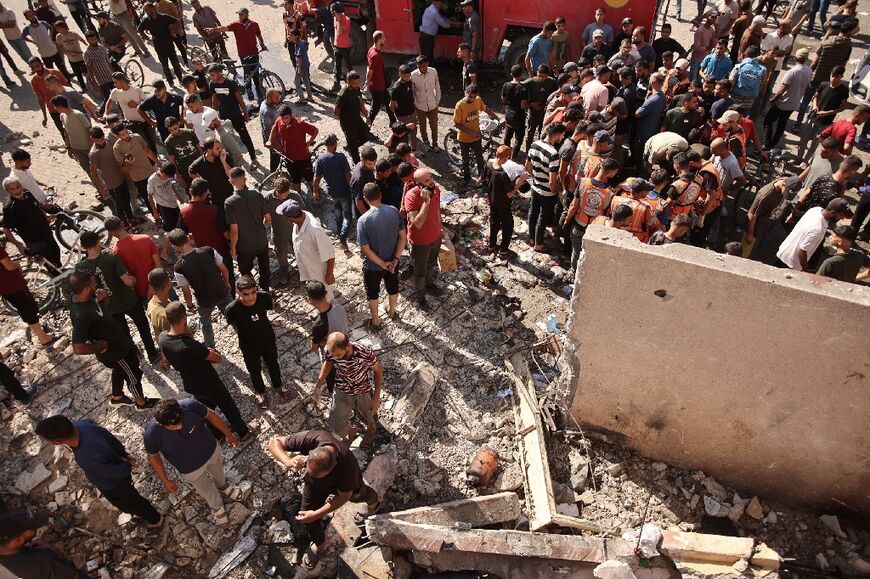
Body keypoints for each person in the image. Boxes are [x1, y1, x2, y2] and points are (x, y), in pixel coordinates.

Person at [36, 415, 165, 542]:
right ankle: (140, 513)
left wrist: (126, 465)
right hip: (116, 466)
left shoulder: (86, 457)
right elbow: (108, 437)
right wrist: (123, 454)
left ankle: (155, 520)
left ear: (57, 442)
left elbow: (113, 472)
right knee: (132, 500)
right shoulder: (82, 425)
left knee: (130, 502)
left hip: (114, 484)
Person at [266, 429, 380, 571]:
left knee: (361, 495)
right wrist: (287, 460)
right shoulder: (313, 438)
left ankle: (374, 506)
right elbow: (273, 442)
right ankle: (320, 544)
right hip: (314, 486)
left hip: (344, 487)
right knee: (307, 517)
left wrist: (318, 513)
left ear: (332, 467)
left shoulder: (347, 467)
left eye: (318, 475)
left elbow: (343, 497)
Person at [144, 398, 248, 526]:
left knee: (219, 472)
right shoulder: (151, 435)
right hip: (190, 469)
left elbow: (211, 415)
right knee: (204, 488)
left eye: (180, 421)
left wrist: (228, 434)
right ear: (161, 424)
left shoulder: (189, 405)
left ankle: (222, 485)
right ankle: (217, 506)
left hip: (211, 451)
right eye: (174, 426)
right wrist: (165, 480)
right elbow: (153, 457)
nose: (180, 426)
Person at [68, 269, 155, 408]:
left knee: (120, 370)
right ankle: (141, 403)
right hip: (115, 353)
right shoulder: (81, 315)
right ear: (85, 289)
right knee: (133, 376)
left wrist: (105, 298)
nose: (96, 287)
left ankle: (117, 396)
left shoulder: (85, 298)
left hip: (119, 342)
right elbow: (78, 348)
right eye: (94, 285)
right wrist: (101, 345)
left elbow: (101, 312)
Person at [310, 331, 383, 446]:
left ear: (348, 347)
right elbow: (328, 362)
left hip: (362, 388)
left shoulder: (363, 352)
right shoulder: (331, 351)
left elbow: (378, 371)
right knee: (336, 422)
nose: (335, 358)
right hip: (342, 388)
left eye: (338, 355)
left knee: (369, 414)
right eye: (332, 355)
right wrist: (318, 386)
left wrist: (376, 397)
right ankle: (351, 432)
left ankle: (371, 429)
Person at [225, 275, 287, 406]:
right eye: (245, 294)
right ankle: (260, 392)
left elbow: (268, 309)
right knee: (254, 370)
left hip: (267, 338)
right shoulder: (232, 309)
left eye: (253, 292)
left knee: (273, 363)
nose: (251, 297)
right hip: (248, 345)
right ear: (238, 293)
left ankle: (278, 386)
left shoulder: (264, 297)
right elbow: (232, 323)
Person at [168, 228, 232, 347]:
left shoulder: (179, 267)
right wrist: (227, 283)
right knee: (233, 315)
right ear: (188, 238)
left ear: (174, 246)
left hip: (204, 300)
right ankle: (245, 335)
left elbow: (186, 292)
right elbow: (224, 269)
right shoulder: (208, 250)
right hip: (221, 291)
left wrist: (190, 305)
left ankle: (210, 346)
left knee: (206, 323)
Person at [356, 182, 405, 329]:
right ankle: (392, 311)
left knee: (372, 292)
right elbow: (403, 237)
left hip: (373, 266)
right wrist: (395, 259)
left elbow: (365, 249)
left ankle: (376, 321)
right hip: (393, 262)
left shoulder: (363, 220)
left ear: (365, 198)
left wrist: (382, 263)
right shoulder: (393, 211)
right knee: (392, 285)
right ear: (380, 195)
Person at [795, 18, 853, 128]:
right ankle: (811, 125)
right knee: (822, 105)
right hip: (831, 81)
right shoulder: (848, 46)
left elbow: (815, 62)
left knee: (806, 102)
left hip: (818, 77)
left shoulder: (826, 42)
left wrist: (808, 74)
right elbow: (843, 66)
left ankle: (798, 124)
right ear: (849, 32)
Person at [565, 158, 620, 270]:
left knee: (576, 251)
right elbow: (607, 213)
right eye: (615, 172)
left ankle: (573, 272)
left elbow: (573, 206)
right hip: (595, 228)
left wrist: (566, 220)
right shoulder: (610, 192)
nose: (616, 174)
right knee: (589, 254)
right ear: (609, 172)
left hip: (579, 223)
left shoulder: (583, 182)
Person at [0, 240, 58, 347]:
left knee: (23, 308)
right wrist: (17, 264)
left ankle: (39, 331)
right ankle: (43, 337)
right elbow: (9, 266)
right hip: (13, 284)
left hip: (4, 288)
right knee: (28, 308)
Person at [278, 199, 337, 301]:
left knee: (325, 295)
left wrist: (329, 273)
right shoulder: (301, 219)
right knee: (315, 294)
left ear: (290, 218)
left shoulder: (314, 230)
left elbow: (330, 253)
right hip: (308, 267)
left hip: (318, 270)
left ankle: (331, 312)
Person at [0, 509, 88, 576]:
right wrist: (53, 550)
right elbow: (73, 576)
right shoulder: (43, 561)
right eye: (32, 527)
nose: (36, 528)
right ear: (19, 540)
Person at [205, 8, 268, 103]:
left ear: (247, 15)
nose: (240, 16)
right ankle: (249, 91)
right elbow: (224, 28)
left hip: (254, 53)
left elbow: (259, 35)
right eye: (239, 14)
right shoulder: (236, 25)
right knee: (247, 73)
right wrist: (213, 30)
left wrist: (262, 44)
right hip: (243, 54)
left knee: (255, 74)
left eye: (241, 14)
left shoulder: (254, 24)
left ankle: (259, 93)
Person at [224, 167, 270, 292]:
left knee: (245, 271)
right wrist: (261, 227)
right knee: (265, 268)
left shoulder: (229, 203)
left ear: (231, 182)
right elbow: (268, 218)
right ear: (245, 179)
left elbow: (234, 230)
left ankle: (251, 292)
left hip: (244, 246)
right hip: (261, 241)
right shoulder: (257, 195)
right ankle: (265, 291)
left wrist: (233, 248)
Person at [2, 176, 61, 270]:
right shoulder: (10, 208)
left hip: (46, 232)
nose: (17, 191)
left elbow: (37, 206)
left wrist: (45, 212)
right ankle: (57, 277)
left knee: (56, 251)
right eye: (12, 189)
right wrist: (18, 244)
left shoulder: (27, 193)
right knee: (50, 262)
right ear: (7, 191)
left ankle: (60, 271)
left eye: (18, 187)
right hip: (35, 241)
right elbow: (5, 229)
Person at [776, 198, 853, 271]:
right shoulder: (817, 229)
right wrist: (805, 269)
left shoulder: (816, 210)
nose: (843, 218)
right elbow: (802, 251)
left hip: (785, 251)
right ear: (832, 212)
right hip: (791, 263)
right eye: (841, 215)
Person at [404, 168, 442, 310]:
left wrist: (440, 228)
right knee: (419, 272)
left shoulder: (436, 189)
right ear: (418, 184)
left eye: (430, 176)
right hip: (420, 243)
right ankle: (420, 297)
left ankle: (430, 285)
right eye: (426, 180)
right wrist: (426, 202)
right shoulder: (411, 197)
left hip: (435, 238)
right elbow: (417, 224)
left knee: (431, 265)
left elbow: (437, 210)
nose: (431, 181)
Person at [526, 123, 565, 252]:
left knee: (533, 213)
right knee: (543, 217)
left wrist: (535, 177)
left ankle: (531, 238)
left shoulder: (534, 145)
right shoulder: (553, 154)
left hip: (535, 186)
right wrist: (554, 190)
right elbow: (552, 177)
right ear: (557, 134)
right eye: (562, 135)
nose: (562, 138)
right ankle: (539, 244)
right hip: (547, 191)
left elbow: (527, 165)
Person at [208, 63, 258, 164]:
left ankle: (253, 158)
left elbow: (239, 99)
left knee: (244, 137)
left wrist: (245, 113)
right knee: (228, 139)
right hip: (223, 117)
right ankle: (235, 159)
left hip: (235, 115)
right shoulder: (212, 84)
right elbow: (214, 101)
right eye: (210, 75)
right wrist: (214, 116)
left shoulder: (230, 82)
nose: (211, 77)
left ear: (219, 73)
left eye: (213, 75)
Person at [745, 176, 803, 262]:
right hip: (756, 229)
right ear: (783, 184)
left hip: (768, 225)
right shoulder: (765, 195)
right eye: (786, 192)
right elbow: (752, 214)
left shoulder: (787, 182)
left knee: (756, 249)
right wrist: (750, 234)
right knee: (746, 254)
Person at [764, 47, 811, 149]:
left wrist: (773, 100)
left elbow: (782, 90)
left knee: (768, 121)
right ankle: (773, 143)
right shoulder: (808, 70)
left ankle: (767, 144)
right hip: (794, 103)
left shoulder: (792, 72)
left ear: (795, 58)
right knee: (782, 123)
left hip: (782, 103)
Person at [267, 104, 318, 197]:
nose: (284, 120)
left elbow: (315, 131)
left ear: (291, 115)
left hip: (303, 158)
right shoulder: (279, 121)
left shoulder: (300, 123)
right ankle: (299, 198)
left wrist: (308, 143)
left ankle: (316, 195)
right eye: (283, 118)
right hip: (289, 158)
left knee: (310, 180)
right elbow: (274, 128)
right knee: (295, 181)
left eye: (286, 118)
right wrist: (270, 140)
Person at [453, 84, 500, 186]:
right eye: (469, 96)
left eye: (474, 97)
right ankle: (467, 179)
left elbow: (485, 109)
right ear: (466, 93)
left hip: (476, 137)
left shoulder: (478, 100)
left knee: (480, 159)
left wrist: (498, 118)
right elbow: (457, 124)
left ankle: (482, 179)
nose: (471, 99)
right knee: (465, 160)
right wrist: (471, 132)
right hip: (464, 139)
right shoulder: (459, 105)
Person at [189, 137, 235, 222]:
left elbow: (231, 175)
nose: (220, 149)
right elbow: (191, 171)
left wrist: (224, 162)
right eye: (217, 148)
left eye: (220, 147)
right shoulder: (200, 163)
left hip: (230, 193)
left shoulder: (225, 156)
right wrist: (202, 182)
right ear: (209, 150)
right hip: (215, 199)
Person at [137, 2, 182, 85]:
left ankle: (180, 79)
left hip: (169, 45)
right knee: (165, 66)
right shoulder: (147, 21)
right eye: (145, 11)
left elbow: (177, 21)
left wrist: (172, 29)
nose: (146, 12)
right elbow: (139, 29)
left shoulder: (164, 17)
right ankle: (170, 81)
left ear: (153, 8)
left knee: (175, 64)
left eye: (147, 10)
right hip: (159, 48)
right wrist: (148, 37)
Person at [487, 145, 519, 257]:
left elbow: (482, 179)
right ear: (504, 158)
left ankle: (491, 246)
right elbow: (510, 194)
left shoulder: (489, 164)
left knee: (494, 223)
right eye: (507, 157)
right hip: (503, 204)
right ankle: (504, 250)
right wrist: (519, 182)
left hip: (492, 201)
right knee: (508, 226)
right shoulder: (502, 174)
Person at [634, 72, 667, 173]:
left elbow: (637, 113)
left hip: (644, 132)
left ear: (652, 82)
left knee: (640, 155)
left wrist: (645, 102)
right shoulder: (662, 96)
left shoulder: (652, 100)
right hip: (653, 129)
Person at [335, 70, 370, 164]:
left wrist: (367, 115)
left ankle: (349, 147)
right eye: (354, 83)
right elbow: (336, 111)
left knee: (365, 136)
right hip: (348, 123)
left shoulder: (356, 89)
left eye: (358, 83)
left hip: (357, 119)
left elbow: (360, 102)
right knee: (354, 146)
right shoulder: (343, 94)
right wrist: (344, 120)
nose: (357, 85)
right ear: (348, 81)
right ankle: (357, 164)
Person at [411, 55, 442, 153]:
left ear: (427, 64)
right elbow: (412, 92)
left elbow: (437, 87)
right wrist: (415, 104)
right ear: (417, 66)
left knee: (434, 126)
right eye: (421, 67)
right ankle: (426, 142)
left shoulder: (433, 71)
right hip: (420, 106)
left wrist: (437, 101)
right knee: (422, 126)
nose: (423, 68)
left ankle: (435, 143)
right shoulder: (413, 75)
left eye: (425, 66)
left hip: (433, 105)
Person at [523, 65, 557, 151]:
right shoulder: (531, 82)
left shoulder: (552, 82)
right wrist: (531, 104)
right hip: (533, 112)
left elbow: (557, 92)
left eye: (544, 76)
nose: (542, 78)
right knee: (530, 132)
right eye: (540, 76)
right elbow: (519, 87)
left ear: (548, 75)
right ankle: (528, 151)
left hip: (545, 113)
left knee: (543, 133)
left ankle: (539, 151)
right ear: (537, 73)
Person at [501, 65, 529, 157]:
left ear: (511, 74)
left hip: (508, 113)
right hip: (518, 116)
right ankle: (513, 157)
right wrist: (531, 105)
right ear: (521, 75)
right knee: (518, 138)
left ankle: (505, 154)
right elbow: (523, 106)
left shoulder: (506, 85)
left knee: (508, 134)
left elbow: (504, 100)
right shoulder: (523, 89)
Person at [329, 2, 351, 91]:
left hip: (345, 46)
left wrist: (339, 21)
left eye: (332, 11)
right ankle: (336, 84)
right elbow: (336, 31)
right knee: (337, 66)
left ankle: (352, 84)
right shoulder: (335, 18)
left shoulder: (347, 20)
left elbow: (341, 32)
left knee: (348, 66)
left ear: (335, 11)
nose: (331, 13)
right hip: (337, 45)